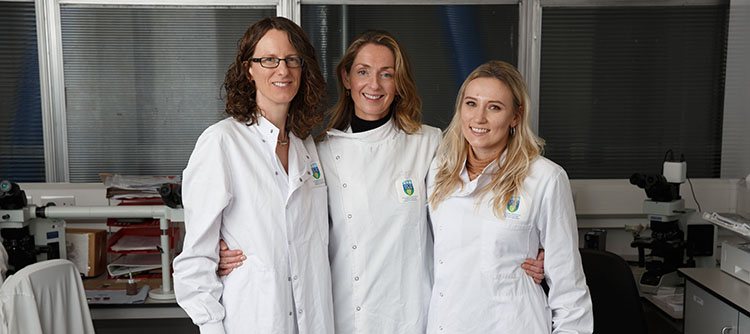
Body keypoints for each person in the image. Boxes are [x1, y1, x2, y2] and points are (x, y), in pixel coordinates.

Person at [217, 30, 546, 333]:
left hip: (412, 314)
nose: (373, 85)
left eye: (386, 74)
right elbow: (291, 220)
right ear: (346, 78)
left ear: (399, 82)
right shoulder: (318, 151)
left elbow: (476, 198)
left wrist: (531, 245)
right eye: (363, 72)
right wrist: (237, 248)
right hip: (343, 313)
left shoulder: (429, 144)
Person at [172, 17, 333, 334]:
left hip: (312, 319)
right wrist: (211, 326)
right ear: (249, 69)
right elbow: (195, 260)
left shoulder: (306, 146)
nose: (282, 70)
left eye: (291, 60)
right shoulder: (222, 142)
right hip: (253, 320)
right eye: (269, 60)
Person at [426, 60, 593, 333]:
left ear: (515, 116)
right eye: (471, 103)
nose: (479, 118)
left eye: (494, 107)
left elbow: (568, 284)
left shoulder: (545, 178)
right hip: (448, 323)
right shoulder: (438, 171)